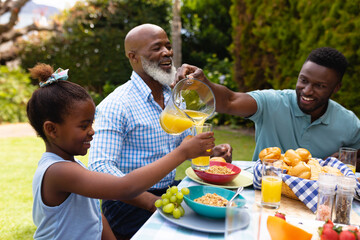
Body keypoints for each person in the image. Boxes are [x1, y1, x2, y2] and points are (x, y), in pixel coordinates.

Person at [27, 63, 215, 240]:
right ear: (52, 129)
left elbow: (94, 216)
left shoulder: (71, 166)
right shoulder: (59, 172)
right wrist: (182, 153)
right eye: (84, 126)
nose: (92, 131)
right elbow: (125, 187)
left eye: (91, 123)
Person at [88, 23, 232, 239]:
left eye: (168, 46)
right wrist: (150, 202)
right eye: (156, 48)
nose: (167, 52)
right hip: (128, 204)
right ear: (133, 57)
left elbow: (184, 143)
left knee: (223, 216)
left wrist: (213, 153)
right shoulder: (116, 104)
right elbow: (100, 168)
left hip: (168, 191)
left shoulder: (176, 96)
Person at [175, 47, 360, 170]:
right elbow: (229, 101)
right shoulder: (273, 102)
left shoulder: (349, 123)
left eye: (319, 86)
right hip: (263, 195)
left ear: (336, 88)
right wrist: (203, 83)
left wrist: (347, 161)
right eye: (303, 80)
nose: (307, 91)